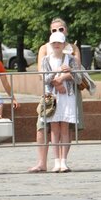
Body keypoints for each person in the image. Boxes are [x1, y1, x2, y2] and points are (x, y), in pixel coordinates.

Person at [38, 32, 78, 172]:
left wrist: (69, 72)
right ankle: (56, 161)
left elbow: (78, 78)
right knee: (54, 128)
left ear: (63, 44)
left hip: (67, 96)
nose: (56, 45)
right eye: (54, 43)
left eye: (59, 43)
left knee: (65, 127)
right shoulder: (46, 60)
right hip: (52, 97)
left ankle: (64, 161)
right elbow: (45, 79)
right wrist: (57, 72)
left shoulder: (70, 58)